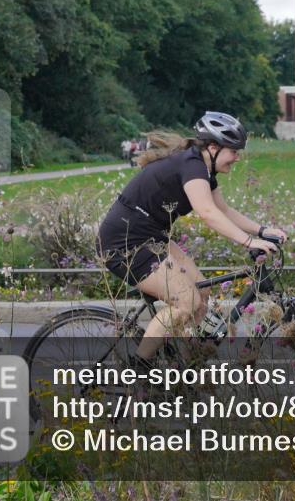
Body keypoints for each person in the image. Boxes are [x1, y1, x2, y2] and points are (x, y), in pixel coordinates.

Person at [96, 112, 285, 368]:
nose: (238, 157)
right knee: (187, 302)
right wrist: (249, 243)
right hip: (125, 241)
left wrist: (261, 230)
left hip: (152, 235)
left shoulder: (204, 170)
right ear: (214, 147)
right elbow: (208, 213)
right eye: (234, 151)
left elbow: (224, 210)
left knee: (202, 289)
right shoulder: (192, 166)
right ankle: (138, 370)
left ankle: (185, 367)